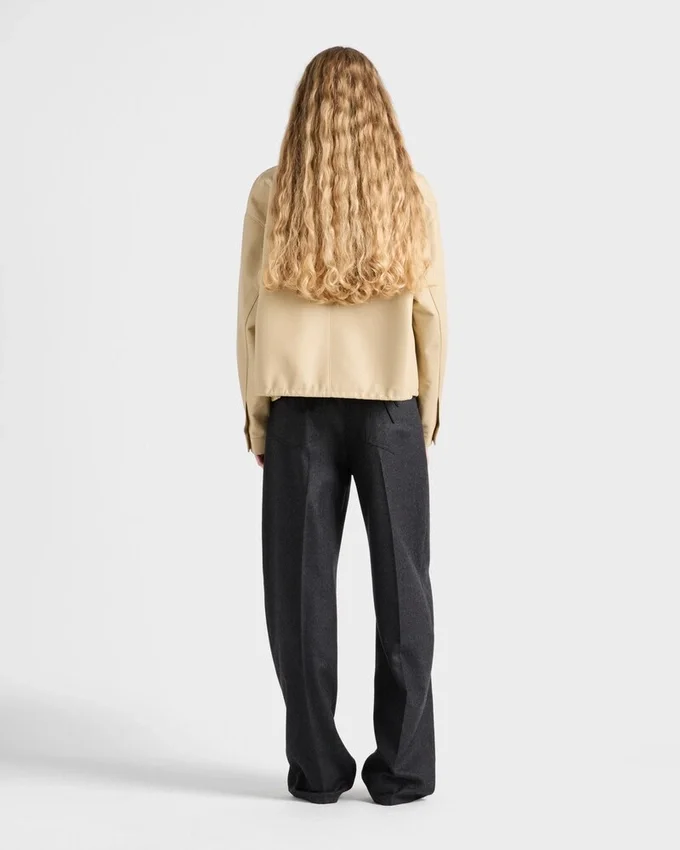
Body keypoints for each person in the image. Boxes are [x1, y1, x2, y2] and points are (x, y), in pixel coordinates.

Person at [236, 46, 447, 806]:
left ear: (304, 111)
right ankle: (405, 768)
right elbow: (430, 314)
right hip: (390, 405)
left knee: (298, 596)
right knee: (405, 589)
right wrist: (426, 414)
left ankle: (318, 769)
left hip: (299, 411)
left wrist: (258, 419)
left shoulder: (274, 193)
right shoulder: (409, 192)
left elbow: (250, 317)